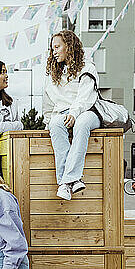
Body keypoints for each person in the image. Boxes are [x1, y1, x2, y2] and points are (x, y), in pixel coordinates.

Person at [42, 29, 100, 201]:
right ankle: (71, 182)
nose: (54, 52)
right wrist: (48, 122)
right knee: (55, 124)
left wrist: (74, 113)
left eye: (57, 47)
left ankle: (66, 180)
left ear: (69, 46)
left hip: (88, 111)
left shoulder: (87, 68)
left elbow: (85, 97)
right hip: (64, 113)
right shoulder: (54, 73)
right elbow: (49, 102)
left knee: (82, 124)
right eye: (52, 49)